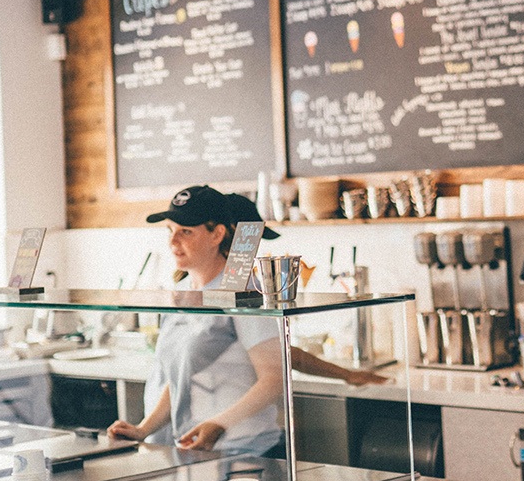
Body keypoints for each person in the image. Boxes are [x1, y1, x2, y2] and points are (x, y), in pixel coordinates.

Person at [107, 185, 384, 454]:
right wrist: (143, 429)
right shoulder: (186, 293)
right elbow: (183, 373)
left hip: (237, 447)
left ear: (219, 234)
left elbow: (278, 363)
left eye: (185, 231)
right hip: (180, 442)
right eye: (251, 239)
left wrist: (348, 375)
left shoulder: (241, 290)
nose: (252, 251)